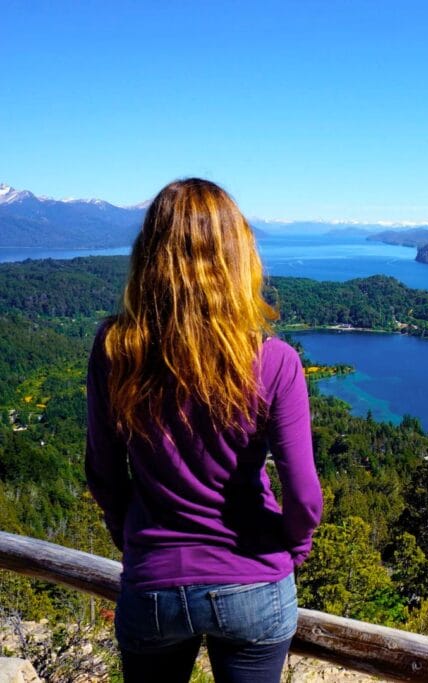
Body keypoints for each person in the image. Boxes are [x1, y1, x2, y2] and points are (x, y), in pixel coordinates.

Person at [85, 178, 323, 683]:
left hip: (152, 583)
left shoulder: (113, 349)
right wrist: (292, 549)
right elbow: (303, 497)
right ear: (239, 258)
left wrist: (133, 540)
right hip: (253, 580)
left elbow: (103, 474)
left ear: (149, 255)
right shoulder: (274, 362)